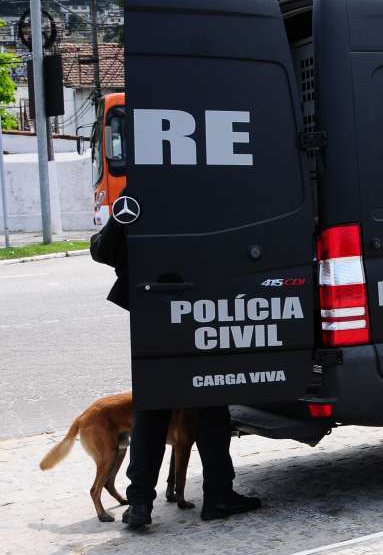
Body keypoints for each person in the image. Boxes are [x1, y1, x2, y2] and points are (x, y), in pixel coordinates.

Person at [90, 217, 262, 529]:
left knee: (153, 407)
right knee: (211, 404)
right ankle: (218, 496)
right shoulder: (216, 187)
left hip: (153, 304)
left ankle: (140, 503)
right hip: (207, 306)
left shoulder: (144, 188)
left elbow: (103, 249)